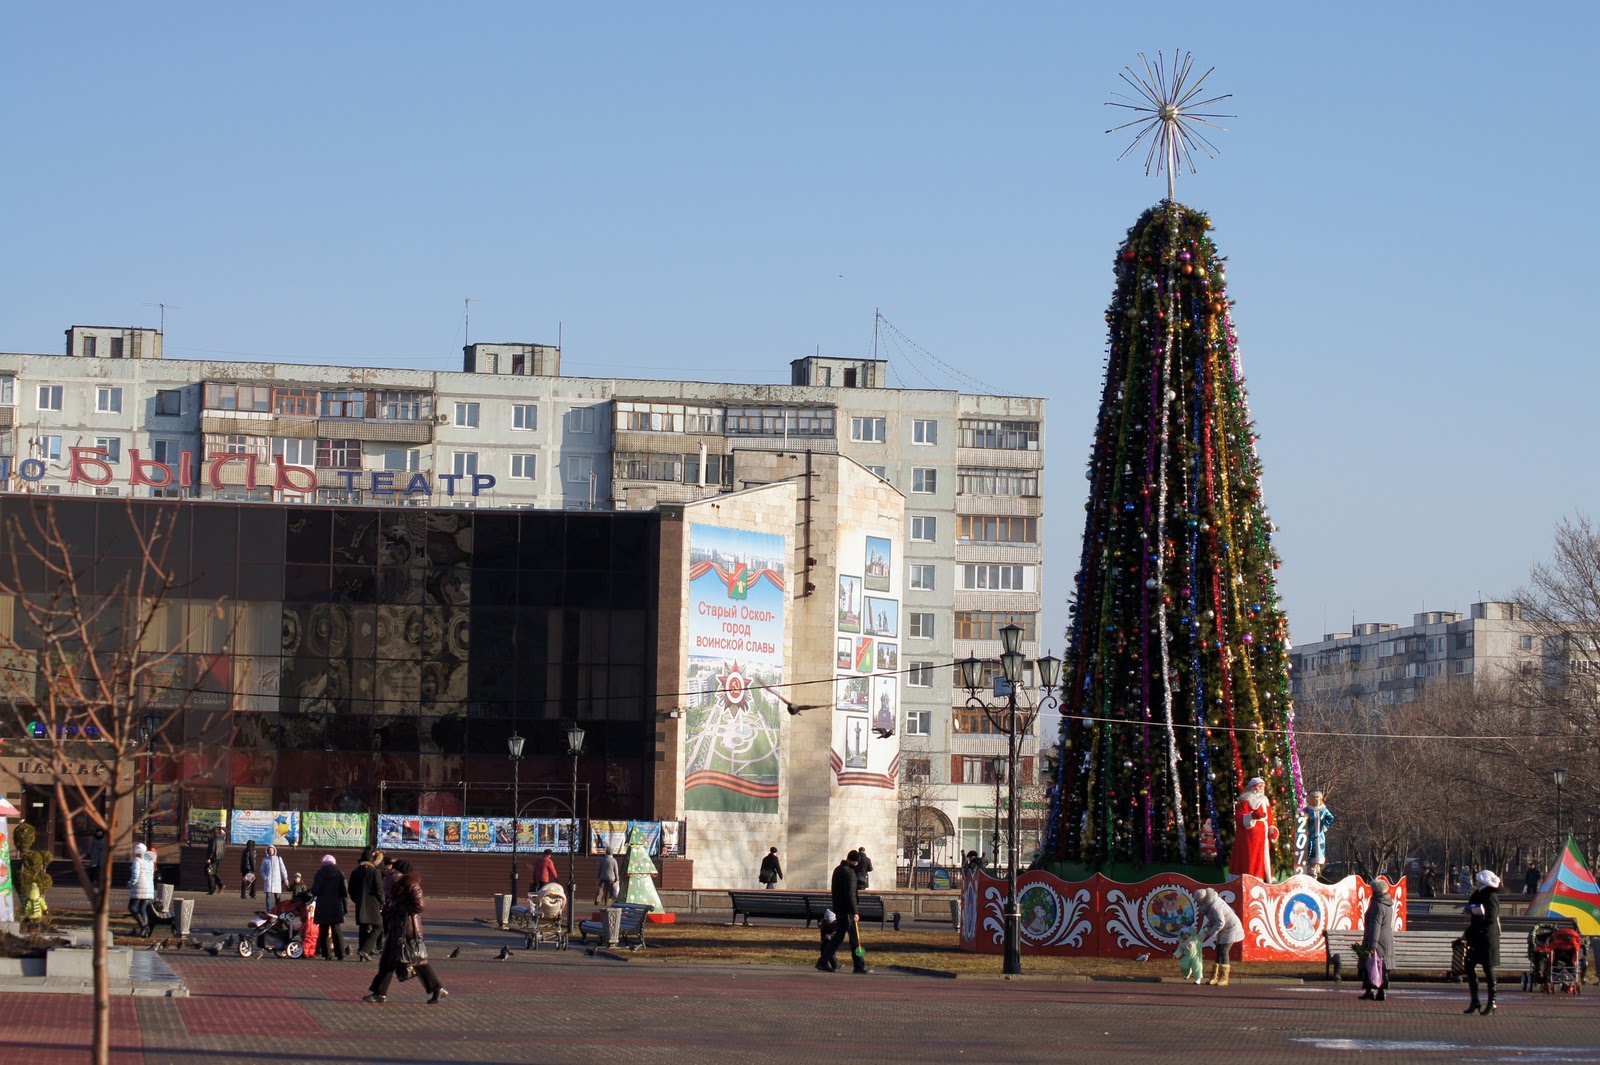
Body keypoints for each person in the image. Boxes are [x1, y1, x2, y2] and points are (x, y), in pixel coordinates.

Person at [364, 858, 448, 1004]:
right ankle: (379, 993)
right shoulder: (400, 885)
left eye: (396, 871)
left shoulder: (412, 886)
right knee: (389, 961)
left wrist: (399, 910)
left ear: (403, 873)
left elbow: (419, 906)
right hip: (398, 928)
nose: (393, 873)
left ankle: (437, 989)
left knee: (417, 960)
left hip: (408, 929)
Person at [820, 851, 868, 974]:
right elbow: (851, 895)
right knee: (854, 938)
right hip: (847, 911)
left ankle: (823, 961)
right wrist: (855, 912)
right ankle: (859, 965)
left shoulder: (838, 870)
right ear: (855, 861)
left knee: (838, 936)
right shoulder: (850, 873)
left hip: (839, 908)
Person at [1461, 869, 1502, 1014]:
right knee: (1469, 965)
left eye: (1478, 879)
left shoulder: (1490, 896)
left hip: (1487, 938)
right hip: (1477, 936)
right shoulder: (1479, 894)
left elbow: (1491, 918)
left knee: (1488, 969)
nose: (1476, 881)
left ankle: (1492, 1002)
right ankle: (1475, 1000)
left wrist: (1476, 916)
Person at [1228, 776, 1278, 881]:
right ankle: (1250, 879)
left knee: (1262, 858)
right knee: (1250, 858)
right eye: (1259, 786)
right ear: (1252, 788)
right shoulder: (1246, 801)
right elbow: (1239, 817)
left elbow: (1269, 819)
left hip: (1262, 838)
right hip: (1249, 838)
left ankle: (1264, 878)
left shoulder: (1265, 802)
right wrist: (1252, 816)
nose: (1261, 789)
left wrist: (1272, 830)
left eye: (1263, 786)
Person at [1192, 887, 1243, 986]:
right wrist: (1205, 929)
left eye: (1198, 901)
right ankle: (1214, 977)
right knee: (1219, 951)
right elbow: (1212, 920)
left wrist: (1211, 933)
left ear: (1203, 900)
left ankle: (1224, 978)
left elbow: (1220, 922)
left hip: (1231, 929)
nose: (1198, 904)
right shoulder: (1209, 905)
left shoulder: (1215, 906)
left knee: (1224, 951)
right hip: (1224, 930)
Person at [1359, 879, 1395, 1002]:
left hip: (1378, 939)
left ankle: (1371, 990)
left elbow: (1375, 925)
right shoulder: (1387, 905)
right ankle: (1380, 991)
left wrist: (1372, 944)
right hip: (1387, 939)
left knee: (1372, 964)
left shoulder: (1377, 906)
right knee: (1381, 966)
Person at [349, 847, 385, 961]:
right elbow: (379, 889)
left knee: (363, 928)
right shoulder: (374, 871)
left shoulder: (355, 872)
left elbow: (350, 889)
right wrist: (382, 901)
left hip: (360, 903)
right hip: (373, 903)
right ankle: (364, 950)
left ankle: (362, 954)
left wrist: (356, 899)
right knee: (378, 927)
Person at [310, 854, 349, 961]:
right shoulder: (339, 874)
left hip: (322, 905)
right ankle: (340, 954)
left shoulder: (319, 873)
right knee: (336, 929)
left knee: (323, 930)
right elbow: (343, 892)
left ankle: (327, 954)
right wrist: (345, 907)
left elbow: (315, 890)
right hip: (335, 905)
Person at [1301, 792, 1334, 879]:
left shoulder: (1323, 810)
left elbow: (1331, 818)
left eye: (1318, 799)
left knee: (1318, 853)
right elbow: (1301, 818)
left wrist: (1326, 826)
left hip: (1320, 836)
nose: (1317, 801)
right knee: (1310, 851)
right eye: (1315, 799)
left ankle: (1316, 873)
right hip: (1310, 835)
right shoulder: (1308, 810)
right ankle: (1309, 872)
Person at [128, 842, 156, 937]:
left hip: (139, 888)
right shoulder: (150, 861)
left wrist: (130, 883)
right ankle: (145, 931)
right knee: (142, 908)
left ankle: (144, 927)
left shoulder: (137, 861)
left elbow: (135, 875)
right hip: (148, 889)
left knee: (132, 907)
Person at [259, 844, 289, 910]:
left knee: (277, 897)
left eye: (272, 850)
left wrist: (286, 880)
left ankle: (278, 910)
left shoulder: (278, 858)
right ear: (267, 851)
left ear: (274, 850)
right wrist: (265, 877)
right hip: (268, 881)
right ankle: (269, 910)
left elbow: (283, 869)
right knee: (268, 896)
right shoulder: (265, 860)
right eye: (269, 850)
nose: (271, 851)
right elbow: (262, 870)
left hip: (277, 881)